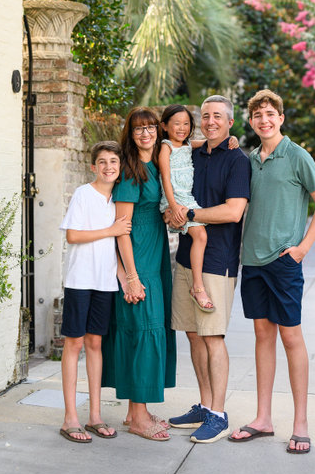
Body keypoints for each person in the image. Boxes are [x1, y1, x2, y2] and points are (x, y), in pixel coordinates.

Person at [228, 89, 315, 453]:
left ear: (281, 118)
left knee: (291, 337)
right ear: (252, 121)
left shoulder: (297, 155)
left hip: (284, 262)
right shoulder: (250, 158)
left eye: (270, 114)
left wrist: (302, 248)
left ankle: (300, 423)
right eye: (258, 115)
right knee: (262, 336)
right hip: (253, 261)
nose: (264, 120)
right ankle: (263, 418)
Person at [167, 95, 251, 443]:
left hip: (218, 263)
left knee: (213, 337)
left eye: (218, 116)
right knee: (192, 333)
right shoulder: (193, 153)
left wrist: (187, 215)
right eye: (206, 115)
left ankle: (218, 413)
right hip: (187, 257)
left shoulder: (238, 160)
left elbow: (233, 212)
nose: (211, 121)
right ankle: (204, 404)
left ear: (231, 123)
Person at [101, 107, 177, 442]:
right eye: (137, 128)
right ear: (130, 134)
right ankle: (139, 415)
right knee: (142, 331)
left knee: (147, 330)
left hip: (156, 256)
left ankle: (135, 413)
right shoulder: (131, 172)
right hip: (139, 259)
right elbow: (121, 229)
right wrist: (130, 276)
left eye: (149, 127)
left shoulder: (158, 164)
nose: (145, 133)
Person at [59, 140, 130, 443]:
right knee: (73, 344)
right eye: (102, 162)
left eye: (113, 162)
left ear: (120, 167)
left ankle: (95, 416)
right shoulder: (83, 194)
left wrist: (124, 279)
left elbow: (112, 249)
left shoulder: (119, 199)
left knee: (95, 345)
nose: (108, 167)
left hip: (104, 283)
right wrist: (110, 230)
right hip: (80, 281)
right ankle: (70, 418)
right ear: (93, 166)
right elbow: (73, 236)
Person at [158, 104, 240, 314]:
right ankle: (198, 286)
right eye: (176, 124)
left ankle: (197, 286)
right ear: (165, 126)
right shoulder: (165, 147)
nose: (182, 128)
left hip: (187, 201)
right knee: (201, 236)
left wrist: (232, 139)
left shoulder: (188, 145)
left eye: (186, 123)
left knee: (200, 236)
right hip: (176, 199)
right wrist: (173, 206)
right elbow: (165, 179)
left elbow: (208, 141)